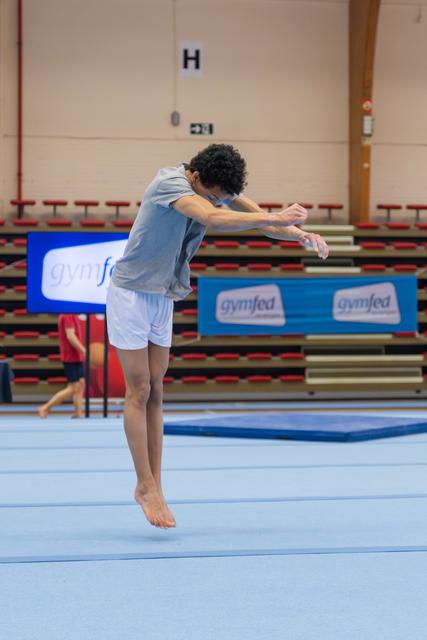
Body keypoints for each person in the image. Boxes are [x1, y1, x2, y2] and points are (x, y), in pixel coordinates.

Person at [106, 143, 329, 530]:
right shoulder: (170, 184)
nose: (220, 202)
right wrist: (275, 217)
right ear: (197, 178)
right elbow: (210, 214)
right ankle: (143, 484)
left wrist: (299, 234)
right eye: (216, 195)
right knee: (138, 389)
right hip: (131, 292)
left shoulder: (216, 187)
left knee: (157, 389)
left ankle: (156, 484)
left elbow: (259, 221)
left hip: (164, 293)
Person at [38, 314, 85, 419]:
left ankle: (78, 413)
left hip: (76, 357)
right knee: (73, 388)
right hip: (70, 357)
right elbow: (70, 335)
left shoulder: (73, 314)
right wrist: (83, 350)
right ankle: (45, 408)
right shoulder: (67, 315)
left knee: (81, 384)